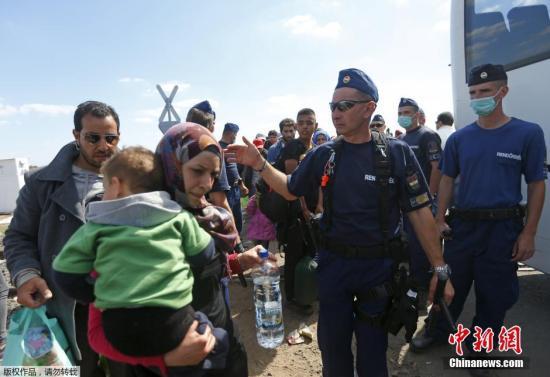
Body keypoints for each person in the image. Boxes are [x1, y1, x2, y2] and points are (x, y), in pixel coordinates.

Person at [226, 68, 454, 377]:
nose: (335, 112)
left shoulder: (396, 154)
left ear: (369, 107)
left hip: (379, 269)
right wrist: (260, 164)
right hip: (334, 266)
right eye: (333, 105)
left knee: (373, 349)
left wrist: (439, 268)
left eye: (345, 105)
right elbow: (291, 189)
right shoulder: (325, 154)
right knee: (333, 349)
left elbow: (420, 213)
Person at [411, 64, 547, 376]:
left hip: (503, 229)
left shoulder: (527, 133)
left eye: (485, 91)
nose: (478, 98)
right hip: (463, 228)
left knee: (494, 294)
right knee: (449, 284)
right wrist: (440, 217)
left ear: (503, 92)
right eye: (473, 93)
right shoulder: (460, 139)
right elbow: (446, 179)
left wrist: (529, 233)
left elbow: (537, 184)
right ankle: (437, 330)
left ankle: (480, 347)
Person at [52, 146, 228, 376]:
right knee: (218, 337)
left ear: (115, 185)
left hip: (119, 333)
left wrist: (99, 293)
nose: (206, 182)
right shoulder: (178, 217)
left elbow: (64, 273)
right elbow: (205, 252)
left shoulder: (96, 229)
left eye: (104, 188)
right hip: (174, 326)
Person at [3, 101, 129, 375]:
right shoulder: (42, 183)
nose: (103, 145)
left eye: (111, 138)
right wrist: (26, 275)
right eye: (93, 137)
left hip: (121, 302)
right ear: (76, 135)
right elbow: (18, 236)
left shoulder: (133, 181)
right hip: (67, 304)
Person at [397, 98, 443, 307]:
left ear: (417, 114)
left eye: (407, 112)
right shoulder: (403, 139)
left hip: (423, 204)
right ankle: (416, 282)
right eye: (401, 112)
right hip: (407, 205)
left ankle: (424, 287)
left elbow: (436, 167)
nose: (403, 116)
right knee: (412, 246)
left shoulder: (428, 136)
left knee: (423, 244)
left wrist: (431, 197)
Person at [219, 123, 249, 234]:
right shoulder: (219, 148)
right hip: (226, 191)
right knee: (228, 221)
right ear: (230, 133)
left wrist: (241, 185)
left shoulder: (230, 148)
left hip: (235, 190)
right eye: (235, 135)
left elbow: (233, 169)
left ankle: (238, 245)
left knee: (238, 220)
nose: (235, 137)